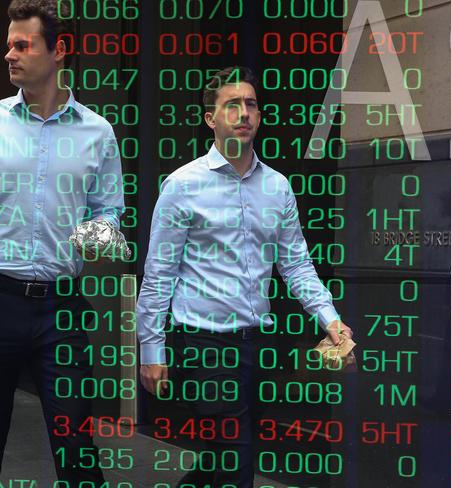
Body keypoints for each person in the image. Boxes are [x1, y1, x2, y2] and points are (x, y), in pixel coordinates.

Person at [137, 65, 352, 488]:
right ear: (210, 119)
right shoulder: (182, 186)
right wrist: (150, 349)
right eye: (231, 105)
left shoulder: (278, 187)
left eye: (250, 104)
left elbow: (296, 265)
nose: (243, 113)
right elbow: (159, 274)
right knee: (237, 462)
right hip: (204, 345)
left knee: (222, 460)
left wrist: (330, 320)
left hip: (259, 344)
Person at [0, 0, 124, 485]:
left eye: (21, 44)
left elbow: (109, 214)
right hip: (1, 297)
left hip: (62, 308)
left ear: (59, 51)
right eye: (8, 44)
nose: (9, 53)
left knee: (75, 444)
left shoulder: (98, 133)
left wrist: (92, 236)